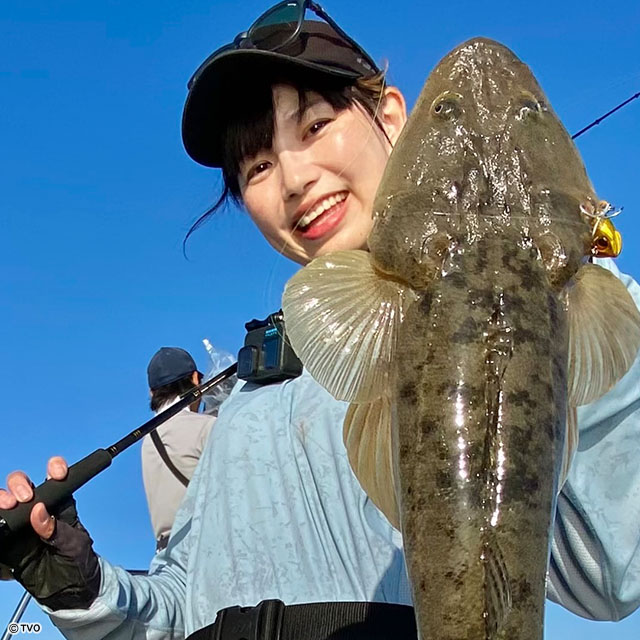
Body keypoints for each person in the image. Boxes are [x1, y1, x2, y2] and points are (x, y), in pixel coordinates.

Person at [1, 2, 639, 639]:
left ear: (393, 118)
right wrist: (81, 585)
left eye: (314, 126)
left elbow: (612, 566)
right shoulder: (244, 401)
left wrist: (561, 285)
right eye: (257, 166)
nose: (294, 178)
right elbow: (180, 605)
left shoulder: (547, 312)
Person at [143, 347, 216, 553]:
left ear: (152, 392)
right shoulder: (207, 427)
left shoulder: (148, 439)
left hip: (165, 556)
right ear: (195, 379)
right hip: (205, 548)